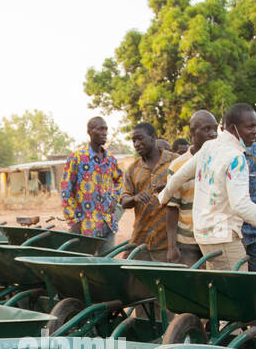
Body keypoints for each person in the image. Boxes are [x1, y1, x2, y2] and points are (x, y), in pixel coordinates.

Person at [157, 104, 256, 271]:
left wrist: (163, 197)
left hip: (204, 235)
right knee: (238, 291)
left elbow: (180, 175)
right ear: (233, 127)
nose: (255, 131)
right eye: (249, 126)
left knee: (220, 289)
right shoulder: (235, 157)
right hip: (223, 236)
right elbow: (241, 205)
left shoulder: (209, 147)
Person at [59, 116, 122, 254]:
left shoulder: (110, 160)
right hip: (85, 226)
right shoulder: (77, 158)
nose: (104, 132)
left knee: (106, 268)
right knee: (85, 267)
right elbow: (65, 190)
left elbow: (120, 180)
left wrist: (114, 198)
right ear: (89, 132)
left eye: (106, 129)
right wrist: (74, 221)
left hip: (108, 225)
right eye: (100, 129)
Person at [162, 111, 218, 266]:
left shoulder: (222, 161)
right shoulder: (178, 166)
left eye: (215, 128)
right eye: (207, 129)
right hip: (189, 243)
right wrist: (172, 247)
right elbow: (172, 208)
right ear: (193, 132)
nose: (213, 134)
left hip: (217, 240)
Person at [119, 123, 178, 260]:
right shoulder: (133, 169)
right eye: (134, 141)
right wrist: (135, 198)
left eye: (140, 138)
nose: (137, 144)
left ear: (153, 137)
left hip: (167, 242)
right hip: (140, 240)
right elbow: (123, 200)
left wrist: (169, 187)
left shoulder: (174, 161)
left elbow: (188, 190)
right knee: (133, 278)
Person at [236, 115, 256, 272]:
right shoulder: (225, 152)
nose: (255, 131)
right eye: (249, 127)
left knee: (255, 276)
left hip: (255, 229)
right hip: (233, 232)